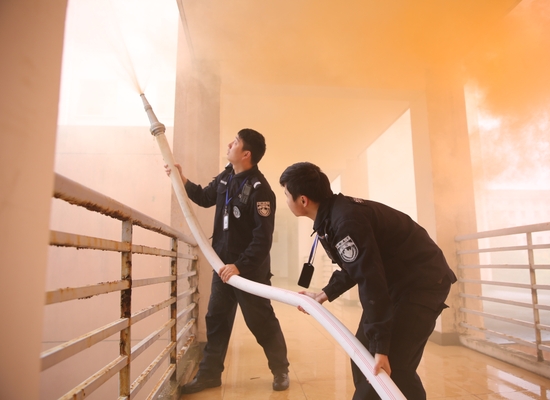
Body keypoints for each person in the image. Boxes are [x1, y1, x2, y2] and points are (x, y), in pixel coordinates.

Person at [279, 162, 456, 400]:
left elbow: (370, 279)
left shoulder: (345, 221)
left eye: (286, 195)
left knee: (390, 367)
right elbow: (358, 264)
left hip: (422, 283)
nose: (286, 200)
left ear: (303, 200)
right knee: (363, 356)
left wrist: (381, 346)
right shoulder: (333, 217)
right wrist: (323, 294)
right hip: (397, 281)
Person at [166, 129, 290, 394]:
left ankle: (281, 370)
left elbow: (262, 239)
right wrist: (181, 178)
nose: (229, 144)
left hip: (248, 272)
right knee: (217, 320)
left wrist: (240, 266)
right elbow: (204, 197)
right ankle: (209, 375)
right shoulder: (226, 177)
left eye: (235, 142)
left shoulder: (260, 190)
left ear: (246, 154)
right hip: (222, 266)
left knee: (261, 322)